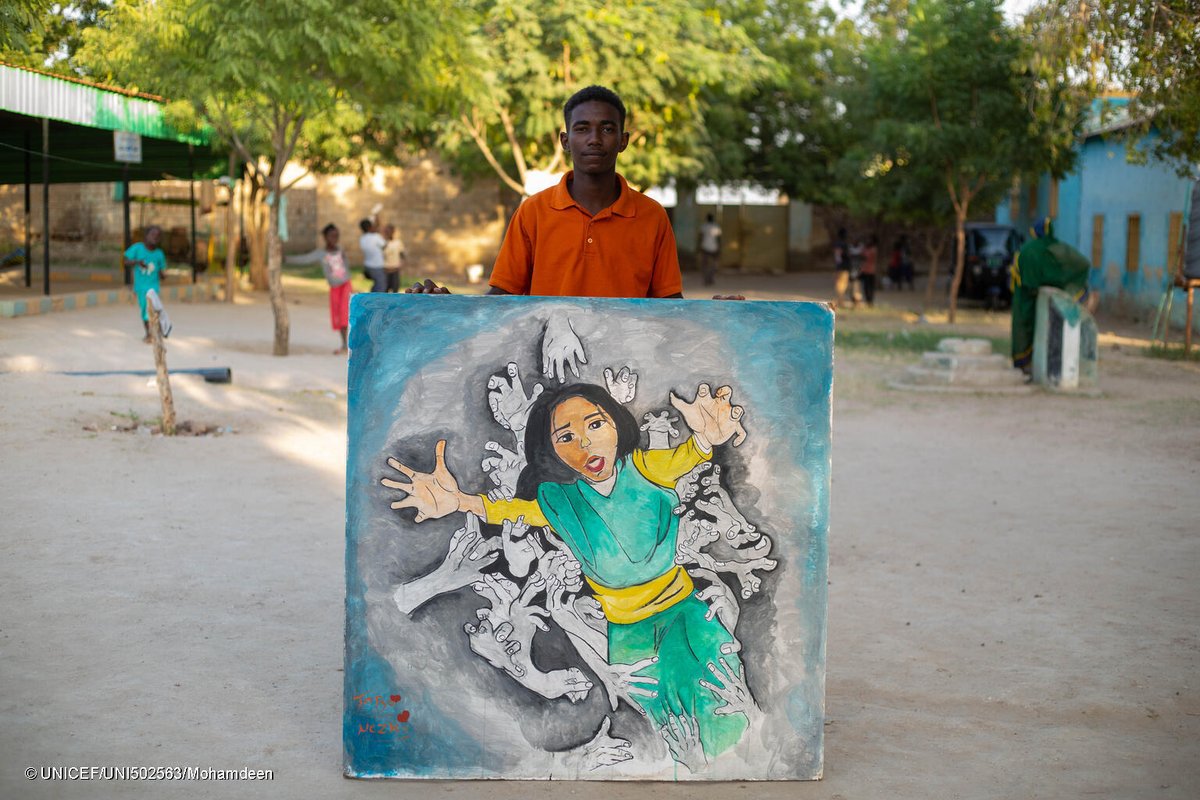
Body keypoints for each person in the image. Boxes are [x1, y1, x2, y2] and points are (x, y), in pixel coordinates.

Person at [383, 381, 750, 761]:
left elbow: (690, 454)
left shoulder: (645, 467)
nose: (586, 444)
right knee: (676, 735)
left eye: (594, 425)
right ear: (552, 450)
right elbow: (514, 511)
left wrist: (708, 435)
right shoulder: (557, 499)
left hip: (689, 612)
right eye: (567, 436)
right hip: (629, 633)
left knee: (725, 708)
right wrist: (458, 501)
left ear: (616, 425)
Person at [407, 85, 690, 299]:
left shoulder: (652, 216)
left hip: (626, 370)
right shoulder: (534, 212)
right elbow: (501, 302)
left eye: (606, 128)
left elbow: (670, 309)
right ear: (565, 141)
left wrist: (723, 313)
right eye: (582, 129)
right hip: (549, 370)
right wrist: (444, 309)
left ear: (623, 141)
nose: (594, 139)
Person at [1010, 217, 1093, 373]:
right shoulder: (1057, 248)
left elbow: (1021, 273)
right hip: (1045, 297)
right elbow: (1082, 263)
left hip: (1024, 296)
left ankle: (1023, 363)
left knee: (1023, 327)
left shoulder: (1028, 249)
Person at [286, 223, 352, 354]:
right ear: (325, 237)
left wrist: (351, 287)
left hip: (345, 287)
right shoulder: (321, 253)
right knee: (338, 317)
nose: (335, 239)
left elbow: (347, 268)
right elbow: (305, 259)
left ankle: (347, 346)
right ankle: (344, 344)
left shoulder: (340, 250)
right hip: (334, 288)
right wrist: (286, 259)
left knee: (345, 315)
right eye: (332, 236)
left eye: (336, 236)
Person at [124, 225, 166, 343]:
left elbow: (162, 271)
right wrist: (137, 262)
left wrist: (163, 274)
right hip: (141, 288)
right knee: (145, 310)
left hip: (154, 288)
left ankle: (154, 332)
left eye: (157, 236)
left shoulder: (159, 254)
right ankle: (149, 333)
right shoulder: (137, 248)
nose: (154, 238)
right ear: (146, 236)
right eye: (152, 235)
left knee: (152, 309)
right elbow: (126, 261)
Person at [359, 217, 387, 293]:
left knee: (377, 284)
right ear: (370, 227)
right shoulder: (376, 237)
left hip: (367, 266)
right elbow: (384, 245)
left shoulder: (362, 238)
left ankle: (371, 295)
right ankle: (373, 300)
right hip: (377, 266)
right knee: (381, 286)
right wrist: (381, 233)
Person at [698, 213, 722, 286]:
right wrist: (719, 247)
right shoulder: (716, 226)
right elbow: (719, 238)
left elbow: (700, 237)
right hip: (714, 247)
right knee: (714, 264)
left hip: (705, 247)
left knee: (705, 265)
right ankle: (710, 278)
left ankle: (706, 279)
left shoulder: (703, 226)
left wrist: (699, 246)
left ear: (707, 218)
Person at [832, 227, 853, 308]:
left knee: (841, 284)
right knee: (842, 284)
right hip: (843, 266)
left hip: (841, 266)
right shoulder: (841, 243)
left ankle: (840, 300)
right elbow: (838, 255)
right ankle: (840, 301)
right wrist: (840, 264)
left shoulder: (839, 243)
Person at [382, 223, 406, 293]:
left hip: (395, 270)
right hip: (385, 270)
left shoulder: (398, 242)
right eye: (386, 231)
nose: (388, 233)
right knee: (385, 290)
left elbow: (402, 255)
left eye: (390, 231)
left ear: (393, 232)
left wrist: (401, 264)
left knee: (395, 289)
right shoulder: (382, 242)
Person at [861, 235, 878, 307]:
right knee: (867, 287)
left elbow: (865, 256)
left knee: (869, 287)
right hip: (866, 270)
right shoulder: (870, 249)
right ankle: (869, 301)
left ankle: (870, 300)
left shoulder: (872, 250)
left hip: (869, 270)